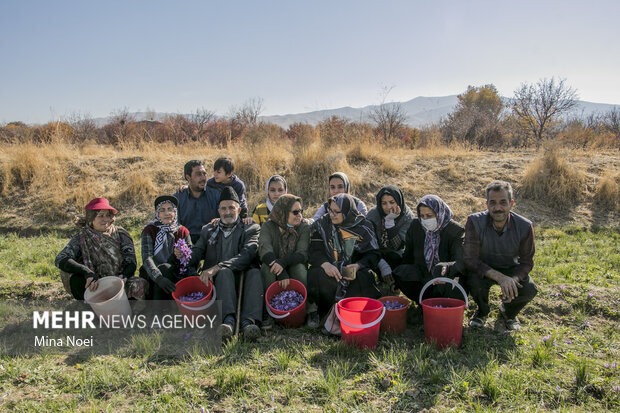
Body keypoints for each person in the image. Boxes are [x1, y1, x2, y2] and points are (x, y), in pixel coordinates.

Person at [187, 187, 263, 340]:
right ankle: (228, 321)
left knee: (255, 273)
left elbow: (247, 254)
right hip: (220, 282)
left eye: (231, 208)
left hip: (244, 278)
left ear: (239, 209)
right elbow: (198, 251)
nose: (227, 212)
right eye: (223, 208)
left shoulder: (251, 228)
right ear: (218, 210)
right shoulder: (208, 229)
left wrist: (218, 267)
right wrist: (185, 255)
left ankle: (248, 323)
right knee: (224, 273)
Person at [464, 180, 537, 331]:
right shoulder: (474, 222)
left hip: (511, 268)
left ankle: (509, 312)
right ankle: (482, 311)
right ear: (486, 204)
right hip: (484, 268)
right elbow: (471, 259)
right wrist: (499, 277)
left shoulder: (524, 226)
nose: (498, 208)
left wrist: (512, 280)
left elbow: (526, 262)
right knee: (472, 281)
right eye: (493, 203)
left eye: (503, 202)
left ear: (511, 203)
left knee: (529, 289)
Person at [55, 197, 148, 300]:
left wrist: (123, 277)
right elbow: (61, 258)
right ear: (91, 218)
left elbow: (131, 261)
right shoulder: (82, 237)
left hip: (119, 281)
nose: (106, 219)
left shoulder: (121, 234)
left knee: (140, 284)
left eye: (108, 215)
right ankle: (91, 308)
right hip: (95, 284)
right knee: (73, 276)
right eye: (100, 216)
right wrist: (87, 272)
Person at [308, 193, 380, 321]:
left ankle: (357, 312)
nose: (332, 214)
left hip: (352, 275)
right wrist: (326, 264)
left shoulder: (364, 226)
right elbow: (314, 250)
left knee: (366, 276)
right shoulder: (324, 224)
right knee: (314, 273)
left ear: (347, 211)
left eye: (337, 211)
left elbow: (373, 254)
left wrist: (358, 266)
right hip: (331, 274)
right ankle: (323, 311)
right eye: (330, 210)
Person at [258, 194, 319, 328]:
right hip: (274, 267)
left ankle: (311, 310)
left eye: (301, 211)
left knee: (299, 268)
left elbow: (302, 253)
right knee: (266, 269)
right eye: (295, 212)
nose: (299, 215)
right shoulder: (268, 226)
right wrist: (280, 271)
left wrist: (283, 263)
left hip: (293, 265)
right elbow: (264, 249)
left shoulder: (303, 227)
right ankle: (268, 312)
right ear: (283, 213)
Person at [393, 195, 465, 305]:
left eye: (430, 216)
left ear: (439, 213)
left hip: (445, 276)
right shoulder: (416, 226)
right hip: (424, 272)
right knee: (402, 272)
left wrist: (445, 268)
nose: (425, 220)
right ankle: (422, 302)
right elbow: (408, 254)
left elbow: (459, 260)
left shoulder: (455, 231)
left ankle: (441, 305)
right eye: (422, 216)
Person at [140, 195, 192, 299]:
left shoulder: (182, 231)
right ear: (157, 213)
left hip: (176, 271)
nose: (167, 213)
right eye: (162, 210)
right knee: (164, 269)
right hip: (154, 275)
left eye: (170, 209)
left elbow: (191, 255)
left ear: (175, 212)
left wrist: (183, 254)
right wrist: (158, 278)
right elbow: (147, 258)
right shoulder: (149, 230)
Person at [366, 185, 414, 291]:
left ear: (398, 201)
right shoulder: (373, 215)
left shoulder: (407, 217)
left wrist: (390, 223)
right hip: (376, 252)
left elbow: (398, 246)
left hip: (396, 254)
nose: (388, 207)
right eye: (384, 203)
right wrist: (382, 264)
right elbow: (368, 243)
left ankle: (395, 281)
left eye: (392, 202)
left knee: (396, 259)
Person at [174, 160, 220, 244]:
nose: (203, 178)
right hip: (186, 241)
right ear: (188, 177)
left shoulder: (216, 195)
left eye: (204, 174)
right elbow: (175, 226)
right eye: (198, 174)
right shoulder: (178, 198)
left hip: (211, 242)